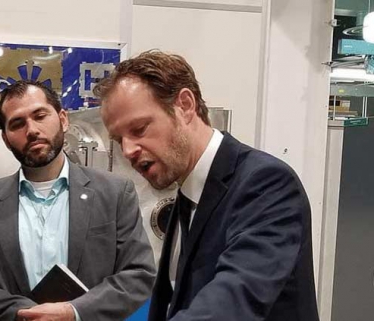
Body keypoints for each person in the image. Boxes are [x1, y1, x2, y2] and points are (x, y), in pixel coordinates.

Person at [95, 50, 319, 321]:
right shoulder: (186, 195)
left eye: (139, 129)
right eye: (119, 140)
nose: (128, 150)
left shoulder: (266, 183)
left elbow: (233, 300)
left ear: (185, 105)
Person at [0, 80, 156, 321]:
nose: (32, 129)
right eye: (17, 123)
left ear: (63, 119)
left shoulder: (115, 194)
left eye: (40, 116)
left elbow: (138, 275)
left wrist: (74, 312)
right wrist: (24, 314)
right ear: (5, 139)